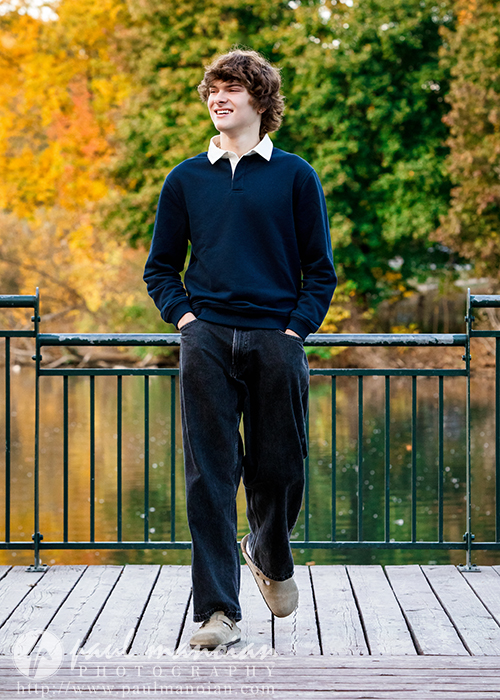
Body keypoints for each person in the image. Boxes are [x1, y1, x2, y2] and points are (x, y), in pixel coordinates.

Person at [144, 48, 337, 650]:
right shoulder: (185, 179)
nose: (217, 99)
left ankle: (270, 552)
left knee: (281, 467)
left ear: (260, 99)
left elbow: (320, 271)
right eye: (211, 91)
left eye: (230, 89)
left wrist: (295, 331)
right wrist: (186, 320)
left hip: (276, 340)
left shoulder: (296, 176)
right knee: (209, 475)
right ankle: (217, 613)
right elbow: (160, 269)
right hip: (205, 340)